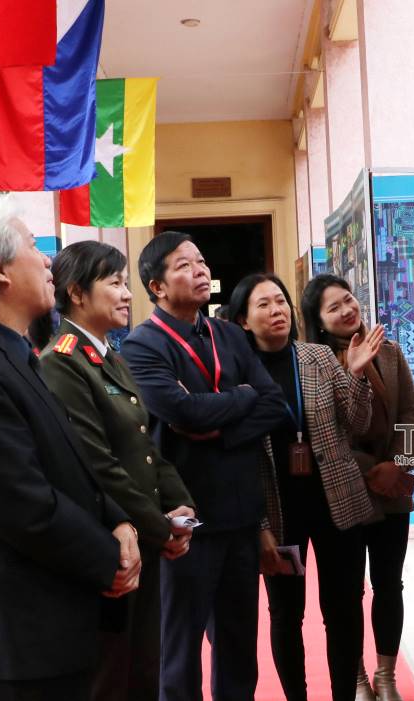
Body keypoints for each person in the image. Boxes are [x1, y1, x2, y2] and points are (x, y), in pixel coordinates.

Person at [0, 196, 140, 700]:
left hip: (50, 627)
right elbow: (22, 505)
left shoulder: (11, 354)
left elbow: (65, 462)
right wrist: (108, 556)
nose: (47, 260)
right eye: (32, 245)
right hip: (19, 642)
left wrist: (118, 520)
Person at [120, 232, 287, 701]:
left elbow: (273, 404)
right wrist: (239, 398)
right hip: (184, 519)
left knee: (239, 650)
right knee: (179, 652)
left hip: (240, 514)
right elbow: (182, 412)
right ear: (156, 286)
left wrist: (218, 429)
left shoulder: (228, 334)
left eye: (201, 262)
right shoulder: (142, 346)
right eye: (184, 265)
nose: (200, 271)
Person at [39, 241, 196, 701]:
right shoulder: (61, 362)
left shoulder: (109, 356)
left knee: (142, 670)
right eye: (114, 283)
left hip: (143, 537)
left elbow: (144, 447)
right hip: (110, 543)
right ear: (77, 293)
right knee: (111, 678)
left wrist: (180, 505)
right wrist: (160, 528)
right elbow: (97, 464)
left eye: (126, 283)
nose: (128, 294)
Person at [229, 273, 381, 701]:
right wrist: (258, 524)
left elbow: (357, 423)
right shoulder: (237, 371)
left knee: (343, 609)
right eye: (264, 304)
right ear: (243, 320)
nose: (277, 310)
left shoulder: (317, 356)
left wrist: (356, 375)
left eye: (281, 301)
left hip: (336, 503)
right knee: (286, 614)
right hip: (277, 510)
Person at [301, 274, 414, 701]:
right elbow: (324, 431)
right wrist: (373, 469)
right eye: (333, 308)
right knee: (345, 593)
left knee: (389, 584)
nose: (346, 310)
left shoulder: (388, 351)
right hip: (344, 492)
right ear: (318, 320)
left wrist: (398, 465)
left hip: (392, 489)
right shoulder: (313, 365)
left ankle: (386, 675)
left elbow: (411, 410)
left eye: (348, 300)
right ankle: (355, 678)